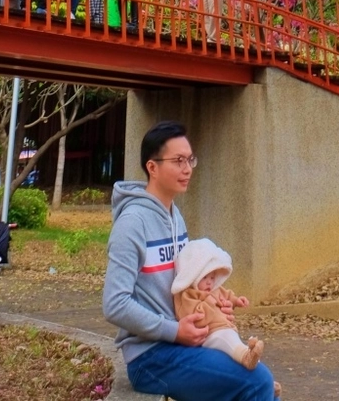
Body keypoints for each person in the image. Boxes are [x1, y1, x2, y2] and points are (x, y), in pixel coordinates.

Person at [103, 120, 276, 401]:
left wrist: (211, 306)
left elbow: (186, 283)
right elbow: (115, 304)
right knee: (257, 381)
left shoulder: (175, 217)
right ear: (152, 167)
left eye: (190, 160)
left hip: (183, 341)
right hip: (150, 357)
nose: (187, 169)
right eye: (178, 160)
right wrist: (174, 330)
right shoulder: (132, 224)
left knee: (259, 380)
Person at [171, 239, 265, 370]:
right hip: (209, 335)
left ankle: (263, 375)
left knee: (236, 346)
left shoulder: (214, 289)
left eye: (212, 277)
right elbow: (194, 317)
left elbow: (227, 295)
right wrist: (210, 303)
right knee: (230, 342)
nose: (209, 282)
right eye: (204, 277)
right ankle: (248, 359)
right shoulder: (188, 295)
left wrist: (236, 301)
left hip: (224, 327)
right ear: (193, 275)